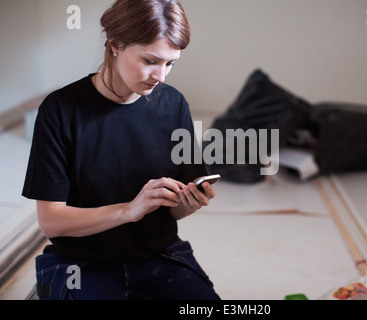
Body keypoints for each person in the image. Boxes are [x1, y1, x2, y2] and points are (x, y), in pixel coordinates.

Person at [22, 0, 220, 300]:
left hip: (157, 254)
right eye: (150, 60)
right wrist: (129, 210)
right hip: (83, 262)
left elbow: (174, 212)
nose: (161, 76)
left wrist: (190, 202)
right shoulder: (60, 110)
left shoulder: (174, 104)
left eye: (170, 63)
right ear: (115, 45)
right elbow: (51, 221)